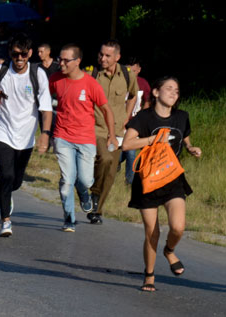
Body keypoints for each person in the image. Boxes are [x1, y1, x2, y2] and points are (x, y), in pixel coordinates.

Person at [121, 76, 201, 292]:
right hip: (147, 179)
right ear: (156, 92)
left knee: (178, 226)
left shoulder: (182, 117)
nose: (174, 93)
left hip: (172, 178)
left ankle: (169, 250)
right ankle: (149, 275)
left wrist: (191, 148)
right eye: (169, 89)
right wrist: (151, 140)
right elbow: (127, 144)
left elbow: (184, 138)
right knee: (151, 231)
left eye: (177, 90)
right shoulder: (144, 118)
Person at [0, 34, 53, 237]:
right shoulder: (0, 71)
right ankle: (5, 221)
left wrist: (45, 135)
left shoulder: (37, 74)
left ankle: (8, 193)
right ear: (10, 54)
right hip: (2, 131)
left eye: (23, 54)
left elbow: (46, 109)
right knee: (6, 175)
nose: (19, 58)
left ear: (29, 53)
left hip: (26, 136)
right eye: (15, 54)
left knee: (17, 180)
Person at [49, 44, 116, 232]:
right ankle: (69, 218)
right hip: (62, 137)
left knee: (85, 180)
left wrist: (111, 135)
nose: (61, 63)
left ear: (77, 61)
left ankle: (84, 193)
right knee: (67, 180)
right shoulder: (55, 79)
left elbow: (106, 110)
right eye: (59, 59)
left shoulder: (90, 84)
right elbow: (41, 98)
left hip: (86, 139)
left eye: (65, 60)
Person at [87, 40, 138, 225]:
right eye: (101, 54)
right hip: (96, 127)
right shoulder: (92, 73)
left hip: (117, 129)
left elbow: (133, 95)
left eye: (108, 56)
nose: (103, 58)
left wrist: (127, 115)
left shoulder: (127, 75)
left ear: (117, 57)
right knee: (106, 159)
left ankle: (97, 210)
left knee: (110, 172)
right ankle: (93, 190)